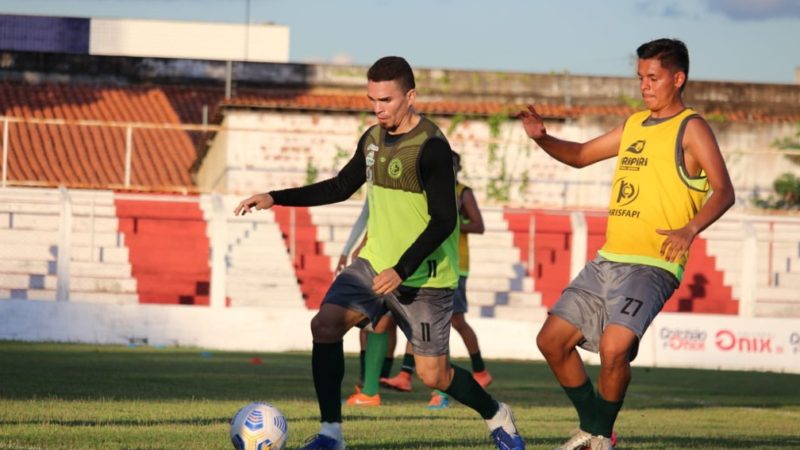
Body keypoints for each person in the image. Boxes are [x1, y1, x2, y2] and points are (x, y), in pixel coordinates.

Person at [236, 56, 525, 450]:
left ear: (410, 96)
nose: (378, 108)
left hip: (425, 277)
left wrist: (403, 268)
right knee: (324, 326)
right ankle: (331, 434)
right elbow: (340, 186)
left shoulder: (432, 148)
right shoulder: (372, 140)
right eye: (372, 99)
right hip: (373, 264)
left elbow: (444, 221)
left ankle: (496, 414)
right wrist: (275, 197)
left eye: (386, 100)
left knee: (433, 376)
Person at [518, 38, 734, 450]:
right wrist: (542, 138)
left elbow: (724, 190)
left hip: (653, 265)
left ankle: (599, 437)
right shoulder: (634, 124)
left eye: (653, 78)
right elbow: (581, 154)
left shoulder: (692, 127)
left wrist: (690, 229)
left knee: (615, 348)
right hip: (608, 260)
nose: (644, 86)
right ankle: (596, 428)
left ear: (678, 78)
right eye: (640, 78)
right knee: (550, 340)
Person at [382, 151, 494, 410]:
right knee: (421, 320)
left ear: (458, 168)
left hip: (453, 267)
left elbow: (478, 225)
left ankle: (474, 373)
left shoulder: (462, 192)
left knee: (452, 321)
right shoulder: (425, 190)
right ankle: (407, 375)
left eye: (450, 165)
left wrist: (449, 220)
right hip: (425, 265)